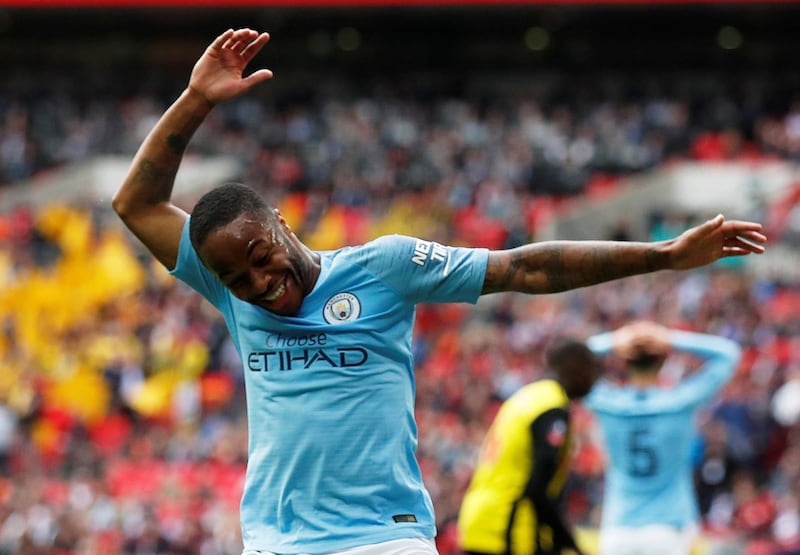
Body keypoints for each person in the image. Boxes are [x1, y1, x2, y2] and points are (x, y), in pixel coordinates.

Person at [111, 28, 766, 555]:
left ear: (280, 223)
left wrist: (664, 255)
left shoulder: (383, 267)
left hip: (382, 539)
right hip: (273, 542)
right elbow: (136, 202)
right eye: (236, 278)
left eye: (260, 258)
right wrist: (196, 100)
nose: (258, 283)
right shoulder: (229, 292)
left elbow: (525, 268)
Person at [584, 321, 742, 555]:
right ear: (663, 361)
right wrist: (669, 338)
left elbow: (569, 358)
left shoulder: (609, 404)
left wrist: (619, 339)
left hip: (618, 527)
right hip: (669, 528)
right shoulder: (679, 403)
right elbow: (729, 353)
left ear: (624, 361)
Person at [457, 337, 599, 555]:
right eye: (591, 370)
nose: (594, 379)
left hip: (480, 521)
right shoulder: (552, 407)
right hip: (508, 527)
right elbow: (538, 488)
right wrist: (568, 542)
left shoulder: (528, 396)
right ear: (574, 367)